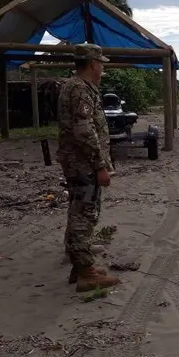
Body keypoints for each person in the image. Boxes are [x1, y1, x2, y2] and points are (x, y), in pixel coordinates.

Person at [57, 43, 121, 292]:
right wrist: (100, 166)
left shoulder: (76, 87)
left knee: (78, 209)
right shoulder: (80, 90)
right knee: (84, 213)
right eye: (101, 63)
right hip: (83, 163)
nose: (103, 67)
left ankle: (80, 262)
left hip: (77, 161)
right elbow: (84, 131)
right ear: (93, 63)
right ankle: (86, 272)